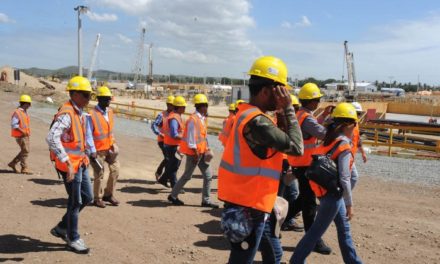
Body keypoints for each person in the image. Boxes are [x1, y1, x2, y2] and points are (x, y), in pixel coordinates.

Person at [218, 56, 303, 264]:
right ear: (266, 91)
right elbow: (297, 148)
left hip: (255, 202)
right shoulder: (257, 122)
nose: (284, 96)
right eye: (281, 91)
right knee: (242, 259)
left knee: (272, 253)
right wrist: (289, 109)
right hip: (248, 206)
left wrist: (282, 111)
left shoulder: (252, 114)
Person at [290, 103, 363, 264]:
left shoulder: (330, 139)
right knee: (314, 233)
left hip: (328, 193)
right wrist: (349, 204)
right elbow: (345, 177)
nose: (356, 128)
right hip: (333, 196)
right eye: (356, 123)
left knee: (344, 231)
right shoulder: (343, 145)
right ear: (349, 125)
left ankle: (354, 261)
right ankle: (296, 261)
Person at [47, 76, 94, 254]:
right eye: (85, 95)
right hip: (70, 167)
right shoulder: (67, 113)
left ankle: (61, 227)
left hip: (79, 163)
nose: (88, 98)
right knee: (75, 202)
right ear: (73, 94)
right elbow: (51, 138)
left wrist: (86, 154)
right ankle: (72, 237)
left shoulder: (79, 112)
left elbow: (77, 140)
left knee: (87, 197)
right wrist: (67, 162)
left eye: (89, 95)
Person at [287, 83, 332, 255]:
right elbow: (322, 134)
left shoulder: (302, 115)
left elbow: (313, 127)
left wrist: (324, 117)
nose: (319, 102)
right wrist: (332, 124)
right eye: (318, 99)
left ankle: (279, 219)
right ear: (312, 101)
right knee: (309, 203)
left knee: (303, 199)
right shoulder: (306, 118)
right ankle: (313, 240)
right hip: (305, 164)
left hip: (300, 163)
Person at [168, 94, 218, 208]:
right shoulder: (193, 120)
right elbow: (191, 139)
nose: (207, 108)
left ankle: (206, 200)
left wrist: (207, 148)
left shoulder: (202, 118)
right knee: (187, 176)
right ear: (201, 107)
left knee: (208, 175)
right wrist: (195, 154)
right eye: (206, 106)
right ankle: (173, 196)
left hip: (201, 152)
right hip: (194, 153)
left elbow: (203, 137)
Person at [88, 86, 120, 208]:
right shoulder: (91, 114)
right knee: (99, 174)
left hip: (109, 148)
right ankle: (97, 198)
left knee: (116, 170)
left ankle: (108, 194)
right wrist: (92, 151)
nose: (108, 101)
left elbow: (109, 131)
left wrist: (114, 143)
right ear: (99, 99)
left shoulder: (110, 112)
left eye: (109, 98)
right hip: (97, 150)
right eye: (106, 98)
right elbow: (88, 135)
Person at [159, 96, 186, 188]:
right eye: (183, 107)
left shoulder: (174, 116)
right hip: (173, 146)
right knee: (174, 167)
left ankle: (163, 179)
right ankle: (175, 187)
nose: (185, 108)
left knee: (172, 166)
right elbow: (174, 134)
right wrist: (184, 138)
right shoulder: (174, 118)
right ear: (178, 107)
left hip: (171, 145)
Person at [151, 95, 175, 180]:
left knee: (171, 159)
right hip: (162, 141)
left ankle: (166, 176)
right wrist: (159, 133)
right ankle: (160, 173)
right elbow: (153, 125)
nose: (173, 106)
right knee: (168, 158)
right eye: (172, 105)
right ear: (168, 105)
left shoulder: (175, 116)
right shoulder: (162, 115)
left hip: (171, 142)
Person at [8, 94, 33, 174]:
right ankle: (24, 168)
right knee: (25, 151)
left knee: (24, 150)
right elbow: (14, 125)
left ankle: (13, 163)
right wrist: (23, 131)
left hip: (24, 135)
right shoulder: (18, 112)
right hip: (21, 135)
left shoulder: (23, 112)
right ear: (25, 103)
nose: (30, 106)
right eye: (29, 104)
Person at [350, 102, 367, 189]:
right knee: (353, 177)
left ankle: (341, 199)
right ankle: (342, 199)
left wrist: (363, 153)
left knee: (350, 178)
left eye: (359, 114)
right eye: (356, 113)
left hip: (350, 157)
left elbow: (358, 139)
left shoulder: (355, 124)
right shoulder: (346, 124)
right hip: (344, 155)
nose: (358, 115)